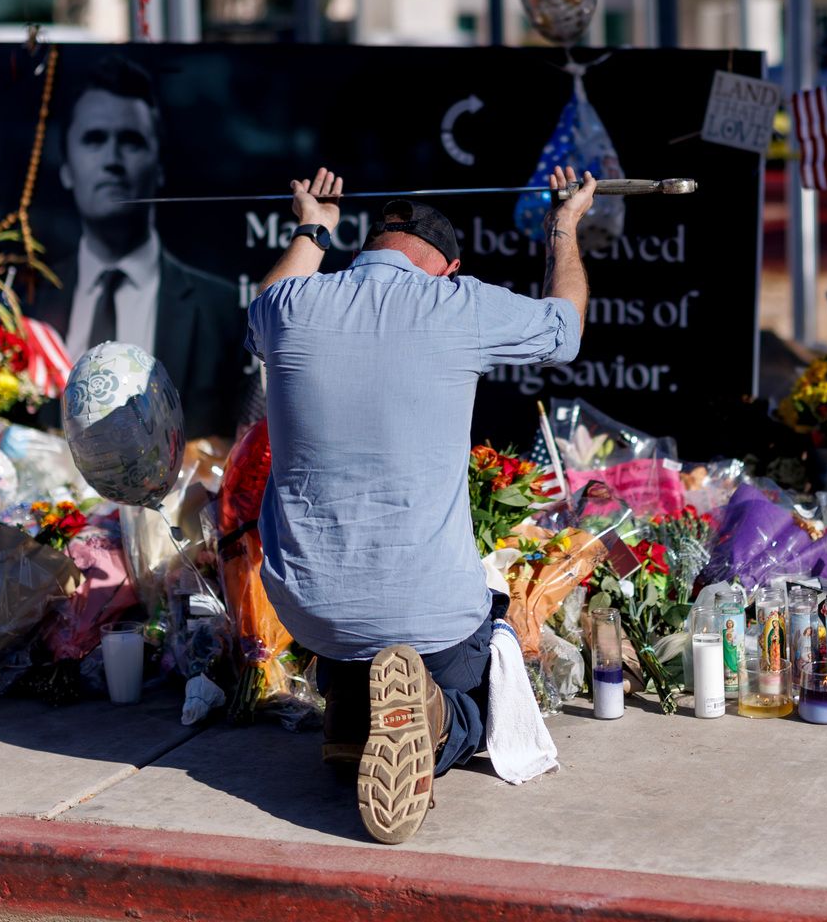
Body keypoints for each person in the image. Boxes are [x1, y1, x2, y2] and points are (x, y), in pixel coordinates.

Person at [246, 162, 596, 845]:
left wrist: (312, 230)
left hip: (308, 614)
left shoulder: (292, 306)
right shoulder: (457, 304)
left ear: (368, 244)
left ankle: (352, 716)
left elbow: (266, 302)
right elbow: (566, 327)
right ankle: (435, 719)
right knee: (483, 670)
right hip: (425, 617)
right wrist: (562, 228)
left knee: (357, 644)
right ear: (447, 266)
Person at [36, 56, 243, 439]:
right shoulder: (27, 303)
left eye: (130, 141)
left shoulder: (223, 311)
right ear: (66, 166)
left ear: (159, 165)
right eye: (94, 139)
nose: (112, 160)